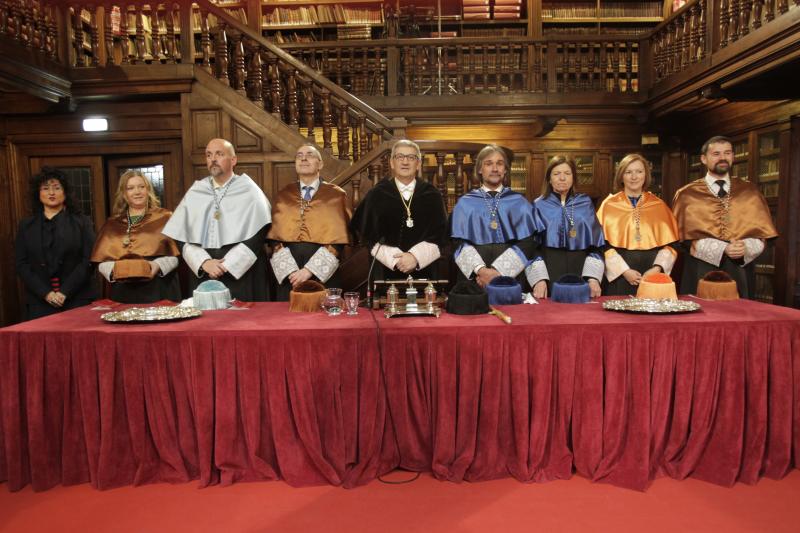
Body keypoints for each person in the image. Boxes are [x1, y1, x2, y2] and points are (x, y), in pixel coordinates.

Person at [162, 138, 271, 301]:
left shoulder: (249, 190)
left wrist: (226, 265)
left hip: (242, 274)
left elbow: (259, 233)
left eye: (219, 154)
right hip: (205, 272)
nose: (213, 159)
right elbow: (180, 235)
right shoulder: (196, 190)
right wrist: (204, 262)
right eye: (208, 155)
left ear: (233, 160)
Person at [672, 136, 778, 299]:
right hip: (701, 269)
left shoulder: (750, 191)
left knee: (740, 318)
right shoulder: (686, 194)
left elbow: (762, 235)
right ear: (703, 159)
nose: (723, 158)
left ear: (733, 157)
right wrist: (722, 248)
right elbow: (681, 240)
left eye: (727, 153)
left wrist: (745, 248)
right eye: (716, 154)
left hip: (740, 268)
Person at [350, 139, 447, 285]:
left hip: (425, 272)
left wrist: (415, 257)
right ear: (391, 163)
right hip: (385, 270)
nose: (405, 162)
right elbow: (367, 235)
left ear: (418, 163)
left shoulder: (433, 195)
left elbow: (441, 235)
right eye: (400, 157)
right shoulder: (377, 194)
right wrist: (397, 260)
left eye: (411, 157)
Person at [268, 143, 351, 301]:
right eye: (299, 155)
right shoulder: (283, 194)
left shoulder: (336, 195)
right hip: (289, 276)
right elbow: (275, 240)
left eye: (310, 155)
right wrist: (292, 272)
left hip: (323, 275)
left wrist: (308, 271)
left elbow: (339, 240)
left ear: (320, 164)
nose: (304, 158)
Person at [450, 144, 540, 290]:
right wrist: (481, 271)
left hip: (510, 279)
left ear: (505, 170)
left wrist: (499, 272)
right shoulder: (465, 203)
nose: (495, 169)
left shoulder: (520, 202)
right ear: (480, 169)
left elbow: (528, 242)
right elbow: (458, 242)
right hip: (475, 279)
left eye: (500, 163)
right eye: (488, 163)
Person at [15, 167, 97, 320]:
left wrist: (64, 291)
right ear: (38, 194)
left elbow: (89, 260)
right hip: (39, 301)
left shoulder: (82, 222)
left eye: (56, 188)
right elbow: (21, 264)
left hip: (77, 298)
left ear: (65, 192)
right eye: (45, 188)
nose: (51, 193)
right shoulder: (26, 226)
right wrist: (46, 293)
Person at [91, 170, 181, 303]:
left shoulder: (165, 217)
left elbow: (176, 256)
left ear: (148, 190)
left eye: (141, 187)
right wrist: (118, 270)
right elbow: (101, 261)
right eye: (130, 188)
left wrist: (155, 266)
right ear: (124, 194)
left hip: (158, 286)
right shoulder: (112, 224)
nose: (137, 192)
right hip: (123, 288)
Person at [596, 154, 680, 296]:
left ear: (646, 175)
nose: (634, 177)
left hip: (652, 275)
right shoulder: (608, 205)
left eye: (639, 172)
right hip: (620, 277)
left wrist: (657, 269)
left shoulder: (659, 205)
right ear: (621, 176)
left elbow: (672, 245)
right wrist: (624, 271)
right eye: (628, 172)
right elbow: (600, 245)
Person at [526, 155, 605, 299]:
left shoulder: (585, 203)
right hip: (550, 272)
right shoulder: (538, 205)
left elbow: (596, 246)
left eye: (567, 174)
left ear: (573, 177)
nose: (562, 178)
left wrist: (593, 278)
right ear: (549, 179)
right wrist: (539, 279)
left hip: (581, 272)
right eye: (556, 174)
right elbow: (531, 248)